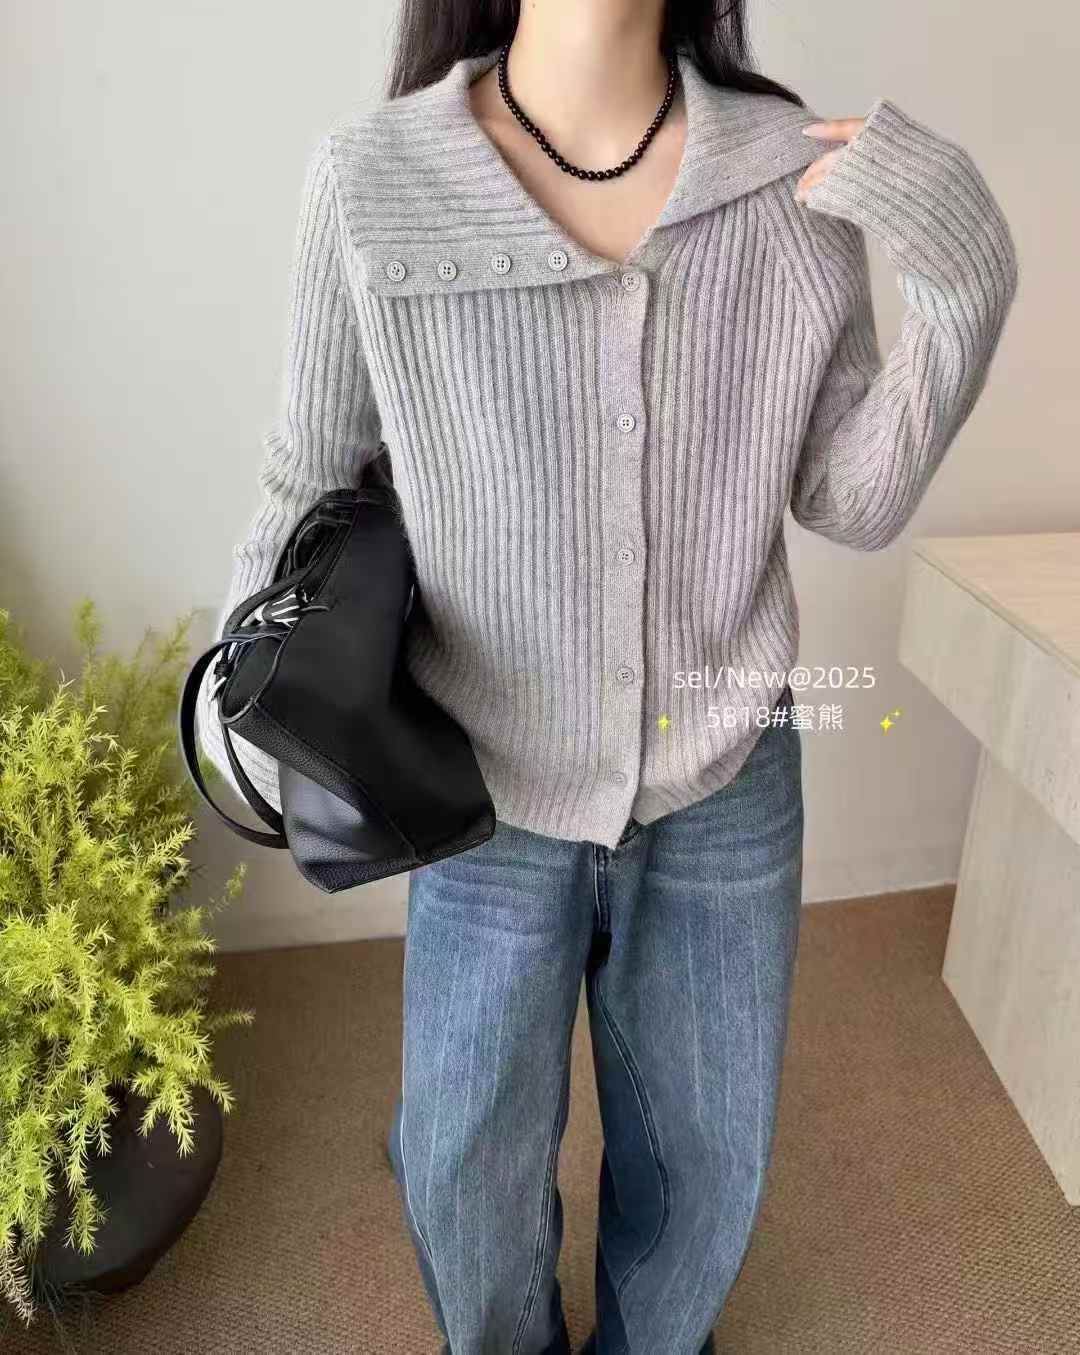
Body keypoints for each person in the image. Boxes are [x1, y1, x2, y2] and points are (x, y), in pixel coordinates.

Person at [196, 1, 1018, 1350]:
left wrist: (964, 282)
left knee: (704, 1150)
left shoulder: (789, 176)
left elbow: (851, 500)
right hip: (480, 787)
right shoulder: (375, 177)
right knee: (463, 1162)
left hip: (724, 777)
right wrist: (240, 718)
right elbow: (310, 468)